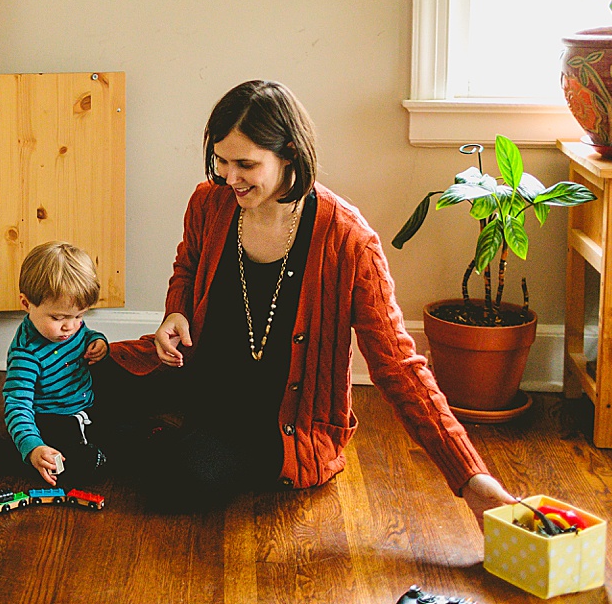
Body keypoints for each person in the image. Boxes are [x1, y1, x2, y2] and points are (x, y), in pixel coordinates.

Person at [96, 80, 515, 522]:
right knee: (79, 372)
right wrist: (176, 311)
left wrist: (471, 478)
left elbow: (398, 367)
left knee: (180, 483)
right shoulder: (209, 201)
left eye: (245, 164)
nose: (228, 177)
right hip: (197, 376)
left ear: (290, 153)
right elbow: (187, 264)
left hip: (276, 420)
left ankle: (153, 441)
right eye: (220, 160)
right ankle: (150, 434)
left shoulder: (349, 241)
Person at [0, 241, 111, 490]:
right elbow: (17, 406)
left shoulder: (71, 330)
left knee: (124, 427)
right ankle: (1, 452)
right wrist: (34, 448)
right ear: (26, 304)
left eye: (79, 316)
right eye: (58, 318)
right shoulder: (26, 354)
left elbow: (87, 334)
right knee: (64, 466)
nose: (69, 326)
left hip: (85, 406)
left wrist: (98, 341)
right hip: (50, 419)